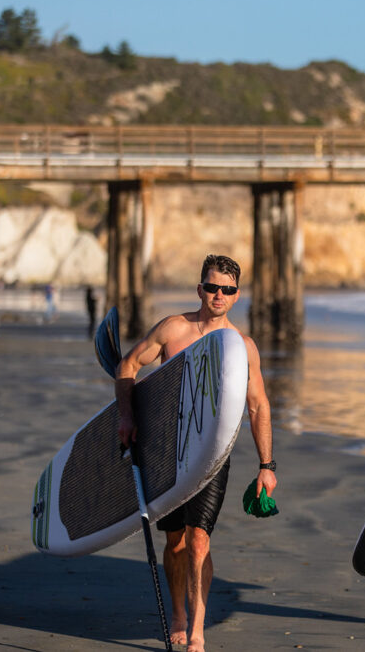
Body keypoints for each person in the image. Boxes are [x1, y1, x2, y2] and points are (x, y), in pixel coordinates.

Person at [116, 254, 277, 652]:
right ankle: (178, 614)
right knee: (175, 543)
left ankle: (197, 630)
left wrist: (266, 466)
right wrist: (125, 414)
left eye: (227, 289)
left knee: (199, 539)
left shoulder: (242, 348)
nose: (218, 295)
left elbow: (258, 406)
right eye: (211, 287)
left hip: (211, 456)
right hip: (164, 451)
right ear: (200, 288)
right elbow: (129, 365)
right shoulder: (174, 329)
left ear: (237, 296)